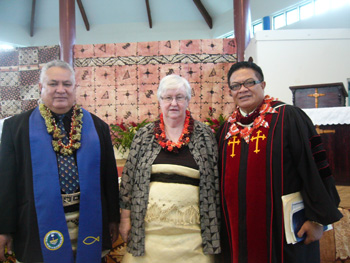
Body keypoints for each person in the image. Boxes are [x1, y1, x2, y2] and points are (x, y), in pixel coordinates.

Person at [216, 61, 343, 263]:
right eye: (236, 86)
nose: (243, 89)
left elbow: (314, 168)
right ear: (230, 91)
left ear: (263, 85)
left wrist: (317, 220)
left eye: (249, 82)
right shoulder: (225, 130)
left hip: (285, 233)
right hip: (237, 232)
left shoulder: (288, 117)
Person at [0, 60, 120, 263]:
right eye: (53, 84)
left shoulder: (98, 126)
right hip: (36, 223)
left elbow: (109, 177)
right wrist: (4, 228)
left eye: (67, 84)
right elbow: (6, 182)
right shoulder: (16, 128)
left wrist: (113, 218)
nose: (61, 90)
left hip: (87, 221)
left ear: (75, 88)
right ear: (41, 87)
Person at [119, 74, 221, 262]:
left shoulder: (205, 135)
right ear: (160, 100)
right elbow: (128, 181)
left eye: (179, 97)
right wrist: (125, 220)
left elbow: (216, 181)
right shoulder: (143, 136)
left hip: (193, 234)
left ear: (188, 100)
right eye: (168, 97)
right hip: (148, 234)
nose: (173, 103)